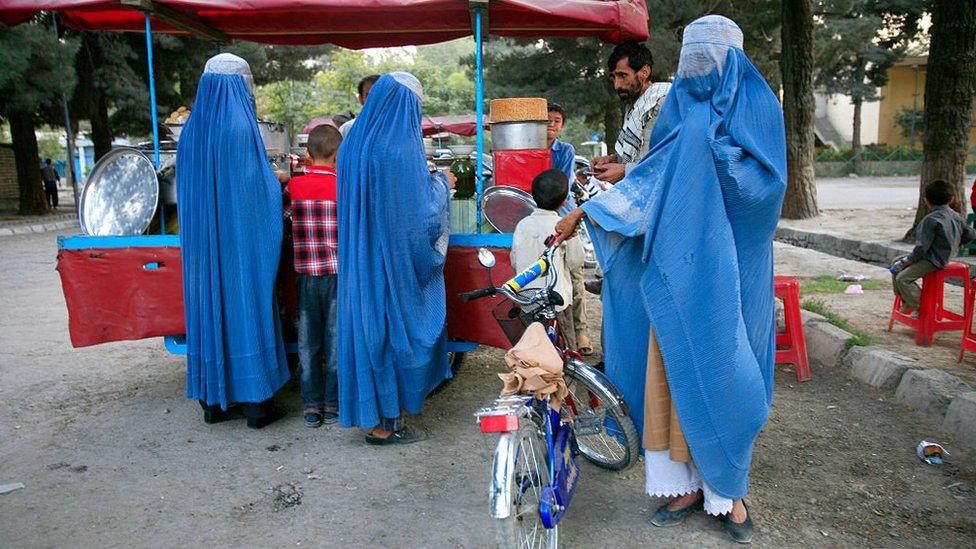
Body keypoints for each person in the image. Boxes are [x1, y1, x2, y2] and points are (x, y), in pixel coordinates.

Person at [554, 16, 786, 543]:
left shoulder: (757, 108)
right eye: (691, 58)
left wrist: (711, 158)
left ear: (733, 57)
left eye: (711, 57)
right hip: (675, 272)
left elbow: (767, 191)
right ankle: (682, 484)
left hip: (732, 275)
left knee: (732, 375)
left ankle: (729, 490)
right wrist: (587, 214)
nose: (699, 69)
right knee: (675, 377)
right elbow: (649, 181)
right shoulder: (677, 111)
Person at [337, 72, 455, 445]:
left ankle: (372, 413)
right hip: (390, 261)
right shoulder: (399, 148)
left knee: (367, 330)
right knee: (394, 332)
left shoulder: (354, 141)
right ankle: (388, 425)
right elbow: (420, 220)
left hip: (360, 258)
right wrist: (442, 186)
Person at [176, 53, 290, 429]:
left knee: (211, 309)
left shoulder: (192, 130)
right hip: (241, 245)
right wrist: (278, 182)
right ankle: (257, 404)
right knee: (247, 308)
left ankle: (214, 402)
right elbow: (255, 192)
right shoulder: (240, 129)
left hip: (205, 248)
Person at [288, 124, 343, 428]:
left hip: (306, 278)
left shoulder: (293, 187)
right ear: (339, 156)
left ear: (307, 154)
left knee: (309, 345)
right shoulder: (345, 188)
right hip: (337, 277)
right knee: (336, 343)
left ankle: (312, 405)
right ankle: (333, 404)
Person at [511, 169, 585, 351]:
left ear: (532, 196)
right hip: (557, 299)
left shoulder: (522, 225)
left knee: (532, 348)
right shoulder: (564, 225)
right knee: (566, 348)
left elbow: (514, 260)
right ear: (564, 201)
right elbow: (576, 261)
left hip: (528, 300)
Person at [546, 103, 592, 355]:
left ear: (562, 125)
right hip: (540, 216)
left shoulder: (565, 150)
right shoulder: (530, 149)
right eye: (546, 120)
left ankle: (582, 331)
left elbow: (561, 182)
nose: (551, 125)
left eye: (556, 120)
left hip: (564, 217)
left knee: (574, 273)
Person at [592, 41, 672, 185]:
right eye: (613, 77)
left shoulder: (659, 103)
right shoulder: (634, 102)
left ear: (644, 72)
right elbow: (638, 154)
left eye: (622, 76)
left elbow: (663, 161)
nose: (617, 85)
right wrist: (613, 160)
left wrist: (624, 171)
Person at [892, 180, 976, 312]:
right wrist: (958, 243)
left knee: (902, 278)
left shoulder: (930, 220)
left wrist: (909, 260)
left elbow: (921, 247)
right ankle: (908, 300)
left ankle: (922, 307)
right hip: (944, 257)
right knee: (896, 262)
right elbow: (971, 234)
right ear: (952, 199)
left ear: (926, 200)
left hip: (932, 260)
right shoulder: (957, 216)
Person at [339, 74, 380, 139]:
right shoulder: (348, 129)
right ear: (361, 99)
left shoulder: (398, 129)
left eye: (380, 96)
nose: (375, 100)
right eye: (369, 96)